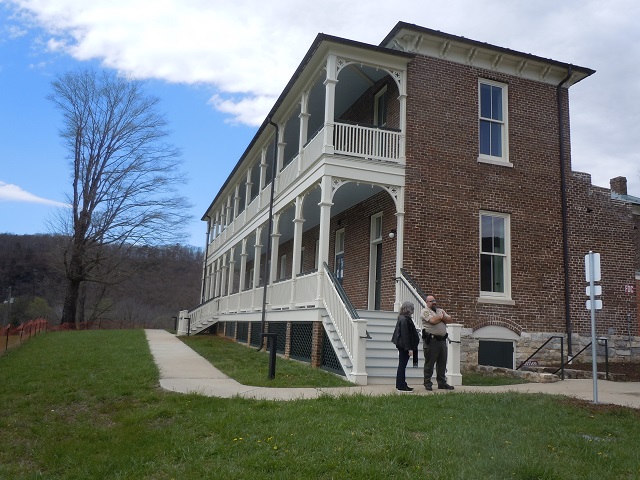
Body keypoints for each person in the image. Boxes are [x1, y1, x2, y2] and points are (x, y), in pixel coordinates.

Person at [421, 295, 454, 391]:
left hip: (442, 341)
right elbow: (432, 321)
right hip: (431, 341)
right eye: (431, 301)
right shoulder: (425, 311)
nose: (434, 302)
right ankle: (427, 383)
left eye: (434, 301)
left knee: (442, 363)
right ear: (427, 302)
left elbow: (450, 320)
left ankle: (442, 383)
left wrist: (440, 317)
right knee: (429, 363)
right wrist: (441, 317)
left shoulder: (440, 311)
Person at [391, 301, 420, 392]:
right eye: (412, 308)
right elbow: (405, 335)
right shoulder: (404, 319)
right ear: (408, 309)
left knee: (402, 365)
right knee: (402, 366)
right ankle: (401, 386)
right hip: (404, 346)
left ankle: (401, 384)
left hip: (403, 345)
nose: (413, 310)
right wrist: (409, 348)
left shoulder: (404, 318)